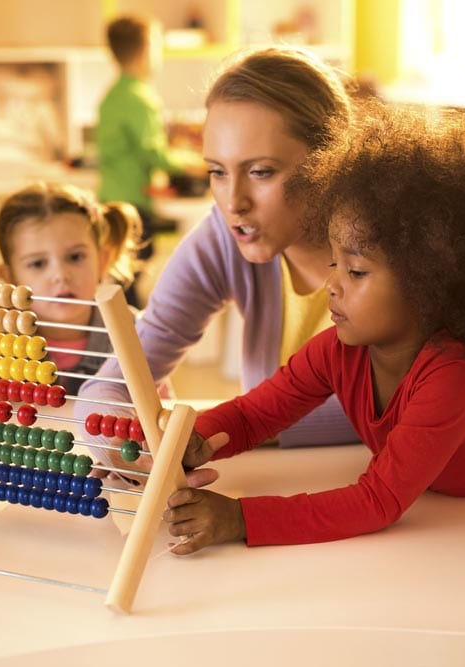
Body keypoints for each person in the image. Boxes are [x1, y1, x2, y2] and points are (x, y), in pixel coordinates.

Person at [162, 103, 465, 553]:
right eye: (334, 262)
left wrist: (238, 518)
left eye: (356, 272)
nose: (331, 285)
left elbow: (377, 501)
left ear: (429, 285)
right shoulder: (338, 350)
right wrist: (195, 437)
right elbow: (252, 415)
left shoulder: (458, 375)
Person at [78, 46, 362, 461]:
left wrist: (240, 423)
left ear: (330, 160)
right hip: (280, 478)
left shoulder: (399, 249)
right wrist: (114, 439)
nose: (233, 202)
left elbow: (413, 406)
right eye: (217, 171)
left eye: (261, 171)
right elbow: (117, 378)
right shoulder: (224, 236)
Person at [0, 182, 141, 394]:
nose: (61, 275)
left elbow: (160, 407)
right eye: (37, 263)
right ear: (9, 277)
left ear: (102, 262)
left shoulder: (135, 332)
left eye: (75, 257)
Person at [96, 14, 203, 308]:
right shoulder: (141, 99)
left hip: (109, 196)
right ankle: (134, 338)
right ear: (145, 51)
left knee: (119, 272)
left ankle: (127, 333)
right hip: (132, 203)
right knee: (129, 274)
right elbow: (154, 154)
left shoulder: (112, 95)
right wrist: (196, 162)